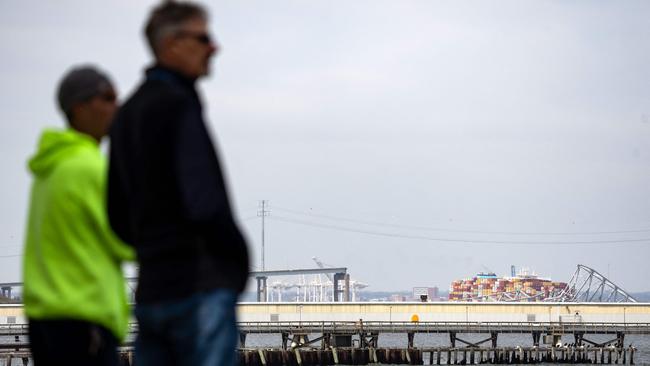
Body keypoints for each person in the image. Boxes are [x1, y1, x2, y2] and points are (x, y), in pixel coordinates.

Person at [107, 2, 249, 365]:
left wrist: (154, 249)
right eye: (203, 37)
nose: (213, 47)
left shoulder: (128, 113)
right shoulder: (178, 104)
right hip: (199, 287)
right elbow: (203, 199)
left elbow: (116, 214)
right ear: (172, 44)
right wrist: (234, 262)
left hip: (153, 289)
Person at [23, 66, 135, 366]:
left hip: (45, 319)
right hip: (84, 317)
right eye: (108, 97)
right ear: (79, 107)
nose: (117, 105)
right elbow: (125, 240)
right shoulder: (90, 167)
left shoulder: (48, 171)